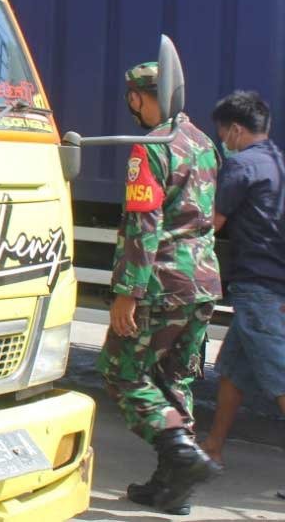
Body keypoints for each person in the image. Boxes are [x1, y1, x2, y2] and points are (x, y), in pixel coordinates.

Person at [97, 61, 223, 515]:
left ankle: (180, 452)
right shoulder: (203, 143)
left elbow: (143, 223)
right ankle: (173, 489)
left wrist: (127, 292)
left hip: (161, 283)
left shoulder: (151, 147)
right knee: (174, 380)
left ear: (137, 96)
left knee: (121, 371)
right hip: (203, 282)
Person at [200, 91, 285, 485]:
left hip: (258, 287)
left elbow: (211, 223)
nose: (223, 142)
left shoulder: (241, 166)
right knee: (233, 371)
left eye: (222, 134)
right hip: (271, 286)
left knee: (280, 376)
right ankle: (212, 448)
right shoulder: (276, 162)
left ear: (235, 130)